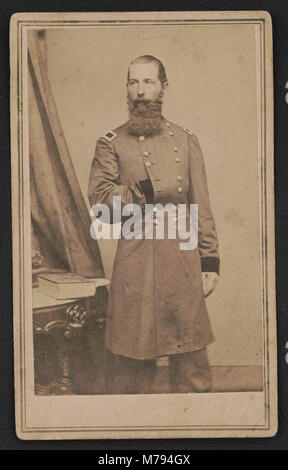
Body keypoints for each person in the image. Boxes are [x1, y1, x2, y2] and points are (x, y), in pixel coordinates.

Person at [88, 55, 220, 394]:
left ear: (163, 87)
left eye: (148, 82)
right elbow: (101, 203)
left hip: (183, 260)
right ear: (127, 90)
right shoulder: (110, 143)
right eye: (133, 82)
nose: (140, 91)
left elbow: (200, 205)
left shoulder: (186, 140)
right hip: (136, 260)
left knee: (191, 365)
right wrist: (143, 190)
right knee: (132, 364)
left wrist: (209, 262)